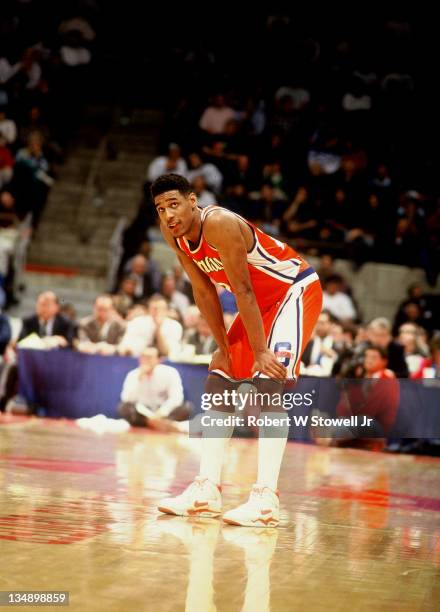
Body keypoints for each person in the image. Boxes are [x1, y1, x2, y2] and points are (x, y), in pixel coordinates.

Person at [153, 174, 322, 527]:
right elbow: (204, 292)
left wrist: (260, 351)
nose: (168, 214)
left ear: (192, 200)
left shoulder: (220, 223)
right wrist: (224, 347)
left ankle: (266, 499)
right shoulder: (176, 234)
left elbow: (242, 289)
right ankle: (206, 490)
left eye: (173, 204)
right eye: (160, 208)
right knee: (220, 377)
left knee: (268, 380)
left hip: (293, 291)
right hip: (258, 303)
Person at [118, 347, 189, 432]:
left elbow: (177, 397)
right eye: (143, 357)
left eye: (149, 357)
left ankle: (156, 423)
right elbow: (126, 399)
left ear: (158, 360)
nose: (146, 360)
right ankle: (157, 424)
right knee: (123, 408)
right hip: (142, 413)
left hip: (163, 411)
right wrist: (139, 379)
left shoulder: (170, 373)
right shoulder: (133, 375)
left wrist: (162, 412)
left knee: (186, 407)